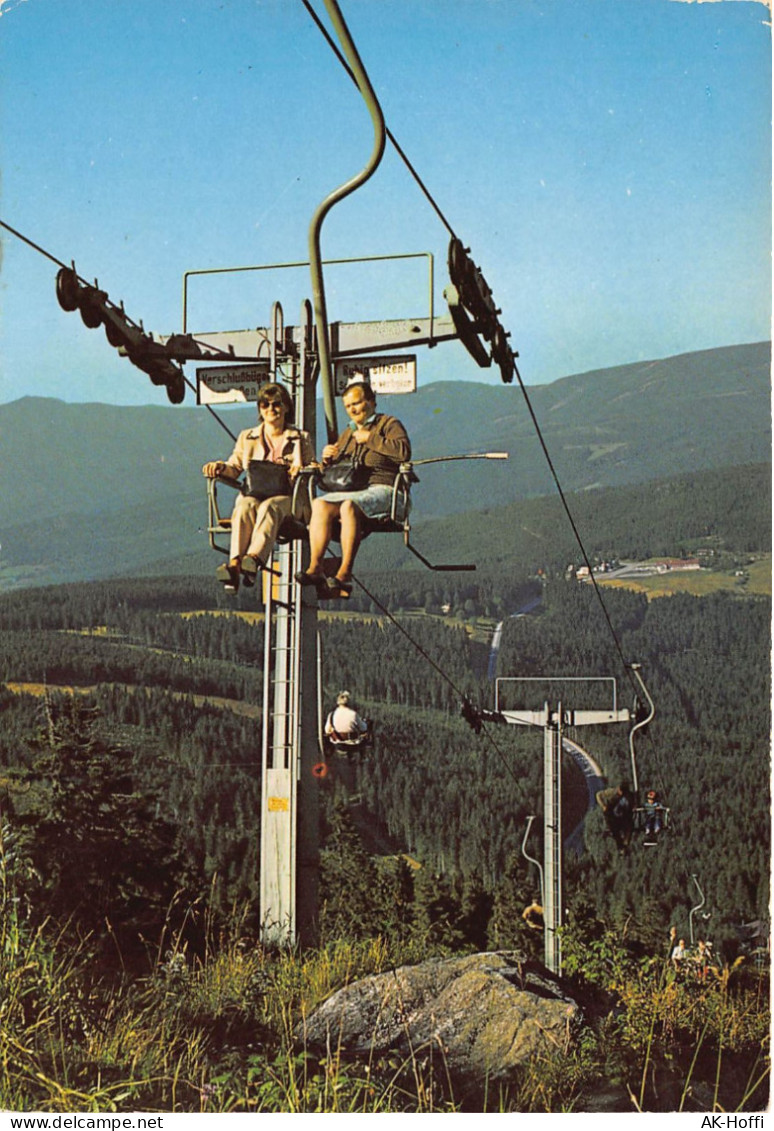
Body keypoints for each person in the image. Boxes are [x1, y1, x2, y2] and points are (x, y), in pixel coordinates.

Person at [295, 380, 411, 599]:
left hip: (384, 488)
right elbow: (342, 469)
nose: (354, 409)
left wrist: (372, 439)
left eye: (357, 403)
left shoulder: (388, 424)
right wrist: (328, 459)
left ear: (372, 402)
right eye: (349, 406)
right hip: (355, 489)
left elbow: (404, 452)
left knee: (349, 506)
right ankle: (316, 566)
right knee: (320, 504)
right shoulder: (348, 433)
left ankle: (345, 571)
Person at [202, 383, 314, 592]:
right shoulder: (248, 437)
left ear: (286, 407)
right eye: (265, 404)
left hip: (289, 498)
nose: (271, 409)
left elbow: (312, 470)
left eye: (277, 404)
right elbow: (234, 467)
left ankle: (254, 558)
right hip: (256, 493)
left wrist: (300, 469)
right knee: (245, 505)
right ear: (260, 409)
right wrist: (219, 467)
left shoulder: (300, 438)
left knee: (269, 507)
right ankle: (236, 564)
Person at [595, 781, 634, 854]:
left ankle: (624, 845)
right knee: (614, 830)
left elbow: (631, 807)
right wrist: (603, 806)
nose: (620, 793)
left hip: (623, 816)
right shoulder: (613, 793)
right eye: (619, 791)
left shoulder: (629, 796)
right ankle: (621, 846)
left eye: (622, 792)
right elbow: (598, 795)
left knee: (629, 826)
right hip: (612, 815)